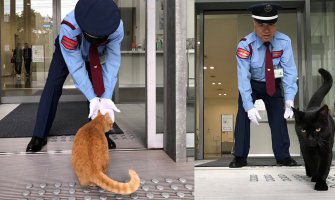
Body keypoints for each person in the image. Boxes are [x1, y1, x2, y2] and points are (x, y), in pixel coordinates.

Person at [26, 0, 124, 152]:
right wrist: (92, 98)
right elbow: (76, 67)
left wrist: (105, 98)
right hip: (68, 52)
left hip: (95, 53)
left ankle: (101, 134)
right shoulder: (69, 27)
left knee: (100, 88)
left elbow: (112, 63)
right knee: (52, 86)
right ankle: (39, 134)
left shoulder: (115, 27)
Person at [229, 3, 298, 168]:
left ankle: (283, 156)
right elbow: (243, 77)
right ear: (254, 24)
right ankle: (239, 156)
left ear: (276, 24)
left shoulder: (284, 41)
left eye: (271, 24)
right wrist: (248, 106)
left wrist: (289, 99)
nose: (266, 30)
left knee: (278, 117)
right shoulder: (245, 45)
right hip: (252, 84)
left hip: (272, 84)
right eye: (261, 25)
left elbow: (289, 71)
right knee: (243, 114)